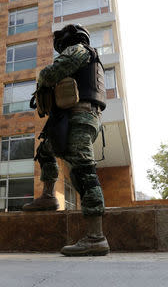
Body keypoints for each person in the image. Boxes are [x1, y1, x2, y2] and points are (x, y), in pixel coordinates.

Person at [23, 24, 109, 256]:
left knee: (83, 172)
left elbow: (50, 73)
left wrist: (42, 80)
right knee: (45, 150)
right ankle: (49, 196)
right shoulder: (90, 56)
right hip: (76, 117)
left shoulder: (79, 50)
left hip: (80, 117)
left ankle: (96, 237)